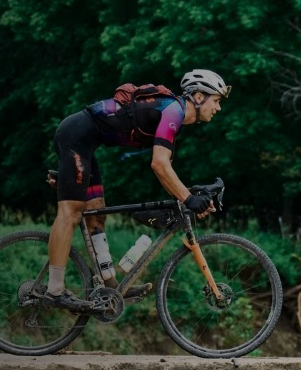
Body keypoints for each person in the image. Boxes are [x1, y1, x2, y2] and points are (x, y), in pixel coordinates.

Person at [34, 69, 231, 311]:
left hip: (86, 144)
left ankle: (110, 287)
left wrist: (191, 197)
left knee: (97, 214)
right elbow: (158, 164)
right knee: (71, 212)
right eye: (217, 100)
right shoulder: (174, 112)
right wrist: (188, 198)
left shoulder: (173, 114)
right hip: (75, 138)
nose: (219, 108)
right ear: (199, 97)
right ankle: (54, 290)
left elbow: (166, 170)